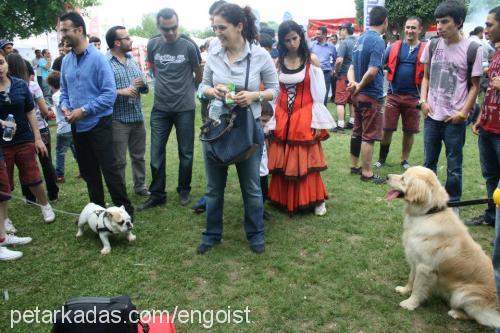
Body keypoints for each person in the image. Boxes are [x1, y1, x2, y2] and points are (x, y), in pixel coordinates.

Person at [197, 3, 279, 254]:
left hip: (247, 129)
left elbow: (274, 90)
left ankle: (255, 235)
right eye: (214, 27)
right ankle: (212, 235)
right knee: (213, 188)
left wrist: (254, 96)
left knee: (252, 187)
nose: (217, 32)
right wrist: (213, 91)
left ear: (239, 26)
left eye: (222, 27)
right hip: (217, 128)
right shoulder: (213, 52)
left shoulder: (260, 56)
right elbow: (201, 88)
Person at [59, 11, 134, 218]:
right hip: (77, 125)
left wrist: (83, 110)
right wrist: (65, 106)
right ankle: (97, 212)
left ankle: (125, 213)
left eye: (65, 30)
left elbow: (109, 95)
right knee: (89, 172)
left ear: (79, 30)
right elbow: (64, 92)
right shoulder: (66, 61)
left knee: (110, 171)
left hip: (99, 123)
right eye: (61, 30)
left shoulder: (99, 60)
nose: (62, 34)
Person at [267, 20, 335, 216]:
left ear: (301, 37)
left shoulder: (311, 60)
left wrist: (316, 119)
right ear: (282, 41)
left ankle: (316, 199)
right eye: (287, 40)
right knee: (283, 159)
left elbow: (319, 93)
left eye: (295, 38)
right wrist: (271, 117)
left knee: (306, 160)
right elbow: (276, 92)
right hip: (282, 115)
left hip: (303, 113)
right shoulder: (279, 62)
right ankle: (283, 198)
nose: (292, 43)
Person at [419, 0, 483, 207]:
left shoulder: (473, 48)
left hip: (454, 119)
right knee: (429, 163)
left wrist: (464, 113)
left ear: (459, 22)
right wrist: (423, 101)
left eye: (444, 22)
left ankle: (453, 205)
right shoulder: (433, 44)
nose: (439, 27)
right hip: (432, 115)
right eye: (437, 22)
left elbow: (475, 85)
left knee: (454, 165)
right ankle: (428, 200)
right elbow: (426, 77)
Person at [140, 8, 202, 210]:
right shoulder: (153, 44)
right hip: (160, 108)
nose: (171, 32)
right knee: (156, 152)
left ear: (178, 24)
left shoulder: (189, 46)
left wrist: (189, 90)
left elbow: (198, 72)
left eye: (174, 27)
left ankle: (184, 189)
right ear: (159, 27)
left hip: (185, 108)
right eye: (166, 29)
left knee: (186, 152)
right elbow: (154, 68)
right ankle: (157, 194)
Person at [0, 51, 55, 223]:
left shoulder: (20, 85)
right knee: (4, 181)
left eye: (1, 62)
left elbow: (31, 111)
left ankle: (45, 206)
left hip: (24, 138)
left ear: (7, 64)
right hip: (2, 143)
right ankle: (5, 220)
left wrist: (37, 138)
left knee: (32, 174)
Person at [374, 17, 426, 170]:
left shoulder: (425, 49)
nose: (410, 31)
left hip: (414, 97)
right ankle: (381, 159)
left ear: (420, 30)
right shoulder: (394, 47)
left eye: (413, 28)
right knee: (387, 128)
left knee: (409, 131)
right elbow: (380, 64)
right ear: (404, 28)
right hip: (393, 95)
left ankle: (404, 160)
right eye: (408, 27)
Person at [106, 25, 150, 196]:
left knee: (139, 156)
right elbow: (101, 91)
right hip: (118, 120)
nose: (130, 40)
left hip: (137, 117)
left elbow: (144, 87)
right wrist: (121, 91)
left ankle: (140, 186)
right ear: (117, 42)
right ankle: (120, 190)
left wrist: (143, 85)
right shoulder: (105, 63)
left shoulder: (131, 60)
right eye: (127, 38)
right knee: (119, 161)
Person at [347, 6, 388, 185]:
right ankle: (367, 172)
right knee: (369, 135)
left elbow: (351, 68)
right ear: (385, 21)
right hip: (370, 95)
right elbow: (372, 71)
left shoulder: (359, 39)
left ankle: (354, 166)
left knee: (357, 131)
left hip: (357, 96)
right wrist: (360, 85)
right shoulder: (378, 41)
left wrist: (353, 84)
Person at [469, 6, 500, 227]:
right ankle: (492, 217)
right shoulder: (496, 52)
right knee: (490, 176)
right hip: (488, 127)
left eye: (490, 24)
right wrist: (481, 117)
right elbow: (490, 90)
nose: (486, 29)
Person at [47, 71, 77, 183]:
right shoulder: (66, 92)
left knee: (60, 152)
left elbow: (61, 108)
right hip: (72, 126)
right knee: (75, 149)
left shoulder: (56, 95)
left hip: (63, 128)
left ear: (50, 85)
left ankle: (59, 175)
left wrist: (51, 110)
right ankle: (84, 170)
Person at [334, 22, 357, 132]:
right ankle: (352, 122)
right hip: (356, 76)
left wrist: (336, 71)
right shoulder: (358, 42)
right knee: (352, 100)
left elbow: (339, 60)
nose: (339, 32)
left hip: (344, 75)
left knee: (340, 101)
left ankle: (340, 125)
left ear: (345, 30)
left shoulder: (344, 43)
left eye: (341, 29)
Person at [310, 26, 337, 106]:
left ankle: (323, 111)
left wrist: (333, 69)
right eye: (316, 34)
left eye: (319, 34)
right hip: (314, 73)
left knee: (324, 93)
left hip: (326, 73)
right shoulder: (311, 45)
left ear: (325, 34)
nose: (316, 35)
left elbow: (335, 59)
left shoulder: (331, 46)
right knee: (314, 92)